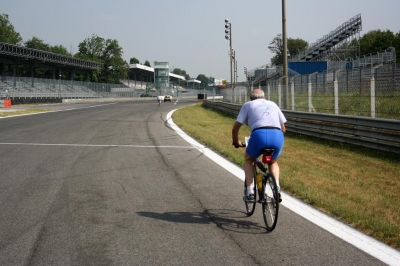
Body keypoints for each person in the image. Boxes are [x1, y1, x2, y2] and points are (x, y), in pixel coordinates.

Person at [232, 89, 286, 203]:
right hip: (277, 135)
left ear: (251, 98)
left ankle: (250, 192)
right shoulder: (273, 104)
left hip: (258, 135)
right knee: (272, 162)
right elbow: (283, 128)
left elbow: (236, 127)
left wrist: (236, 141)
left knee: (249, 160)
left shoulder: (248, 105)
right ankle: (276, 187)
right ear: (264, 97)